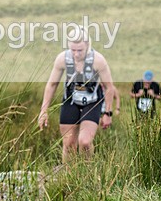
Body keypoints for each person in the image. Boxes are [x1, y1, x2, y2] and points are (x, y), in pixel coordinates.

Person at [38, 27, 118, 164]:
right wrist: (43, 110)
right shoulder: (62, 59)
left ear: (87, 45)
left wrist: (108, 113)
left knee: (85, 142)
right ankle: (69, 177)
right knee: (69, 143)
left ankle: (87, 175)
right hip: (71, 100)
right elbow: (52, 84)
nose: (76, 54)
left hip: (92, 101)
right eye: (72, 50)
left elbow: (109, 88)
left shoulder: (98, 60)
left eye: (79, 50)